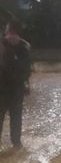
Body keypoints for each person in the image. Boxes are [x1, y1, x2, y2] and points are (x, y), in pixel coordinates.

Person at [0, 20, 31, 149]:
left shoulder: (1, 43)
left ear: (8, 29)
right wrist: (27, 84)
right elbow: (28, 68)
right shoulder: (25, 45)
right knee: (16, 118)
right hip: (18, 87)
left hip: (2, 87)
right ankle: (16, 144)